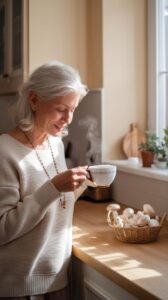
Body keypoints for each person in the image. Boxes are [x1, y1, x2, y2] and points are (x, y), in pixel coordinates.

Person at [0, 61, 89, 299]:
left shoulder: (55, 144)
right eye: (61, 108)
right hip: (19, 287)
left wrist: (79, 186)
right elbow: (2, 228)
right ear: (34, 100)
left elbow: (53, 204)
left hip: (57, 277)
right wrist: (53, 187)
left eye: (73, 109)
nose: (68, 118)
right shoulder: (4, 151)